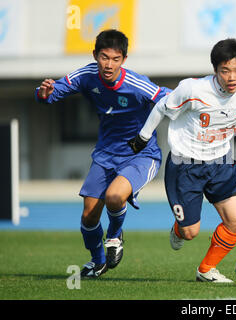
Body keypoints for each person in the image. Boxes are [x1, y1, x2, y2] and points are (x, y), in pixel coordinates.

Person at [129, 38, 236, 283]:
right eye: (225, 71)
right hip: (184, 165)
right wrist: (143, 137)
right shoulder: (193, 89)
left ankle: (206, 270)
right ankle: (179, 229)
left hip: (220, 162)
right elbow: (160, 108)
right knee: (190, 233)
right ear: (215, 70)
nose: (232, 77)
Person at [35, 29, 170, 278]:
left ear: (124, 60)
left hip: (141, 154)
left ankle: (115, 235)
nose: (109, 65)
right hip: (106, 153)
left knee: (115, 197)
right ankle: (98, 262)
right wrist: (44, 94)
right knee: (88, 216)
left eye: (115, 59)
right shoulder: (86, 76)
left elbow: (169, 100)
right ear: (95, 55)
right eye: (104, 57)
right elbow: (54, 92)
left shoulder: (136, 84)